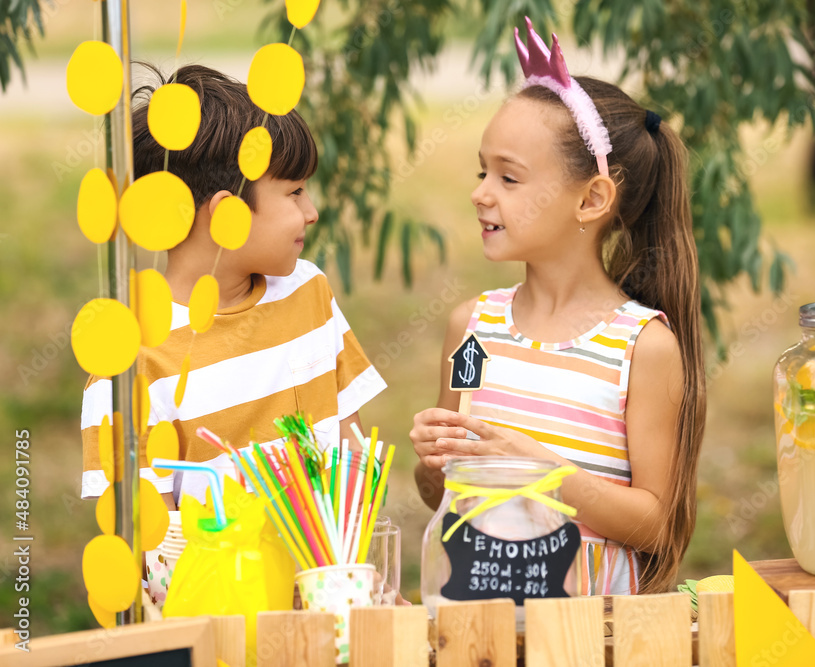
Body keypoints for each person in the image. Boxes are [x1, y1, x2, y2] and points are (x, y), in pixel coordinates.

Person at [410, 19, 705, 595]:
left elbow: (658, 527)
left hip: (588, 638)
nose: (480, 192)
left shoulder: (641, 347)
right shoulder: (471, 328)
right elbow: (439, 495)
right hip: (477, 624)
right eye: (482, 170)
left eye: (509, 177)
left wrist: (544, 473)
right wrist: (432, 463)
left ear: (591, 198)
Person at [81, 65, 386, 508]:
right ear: (228, 216)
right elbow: (153, 552)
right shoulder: (132, 364)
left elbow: (352, 450)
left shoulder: (309, 291)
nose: (312, 211)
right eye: (296, 192)